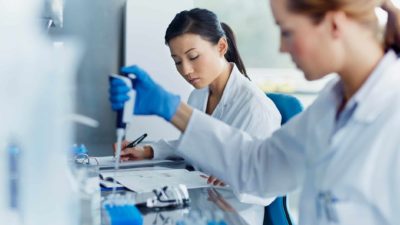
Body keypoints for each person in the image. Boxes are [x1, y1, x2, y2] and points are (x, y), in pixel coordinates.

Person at [110, 0, 400, 224]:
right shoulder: (330, 106)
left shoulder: (392, 114)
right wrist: (172, 109)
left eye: (287, 31)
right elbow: (258, 168)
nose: (281, 47)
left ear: (334, 25)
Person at [111, 8, 281, 206]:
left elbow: (266, 188)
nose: (186, 70)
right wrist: (148, 150)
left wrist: (235, 175)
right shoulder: (198, 94)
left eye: (193, 57)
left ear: (221, 46)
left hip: (233, 214)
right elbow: (197, 143)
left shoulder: (256, 108)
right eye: (177, 62)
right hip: (200, 202)